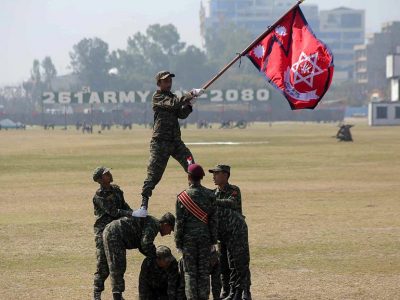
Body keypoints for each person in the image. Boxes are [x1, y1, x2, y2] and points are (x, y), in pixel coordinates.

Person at [132, 70, 204, 217]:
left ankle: (198, 196)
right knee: (154, 175)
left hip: (175, 142)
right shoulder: (158, 97)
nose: (169, 83)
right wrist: (190, 94)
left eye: (170, 81)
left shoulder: (173, 97)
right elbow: (173, 105)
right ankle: (143, 206)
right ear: (159, 83)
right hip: (160, 143)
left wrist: (189, 105)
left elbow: (180, 114)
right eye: (165, 81)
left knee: (192, 166)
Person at [103, 212, 175, 300]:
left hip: (114, 233)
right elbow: (145, 243)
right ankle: (117, 297)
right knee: (117, 265)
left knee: (119, 266)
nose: (169, 233)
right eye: (171, 229)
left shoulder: (153, 223)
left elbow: (142, 245)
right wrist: (155, 257)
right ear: (166, 224)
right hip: (114, 234)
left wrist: (152, 255)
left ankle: (118, 296)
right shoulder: (154, 225)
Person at [175, 163, 218, 300]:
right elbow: (213, 221)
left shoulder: (182, 197)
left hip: (188, 241)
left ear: (189, 177)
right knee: (204, 273)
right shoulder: (210, 195)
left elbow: (179, 223)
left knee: (190, 273)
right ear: (202, 178)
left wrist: (178, 243)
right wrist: (213, 240)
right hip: (205, 239)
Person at [91, 166, 134, 300]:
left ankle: (118, 294)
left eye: (108, 172)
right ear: (99, 180)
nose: (109, 174)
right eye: (106, 174)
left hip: (116, 232)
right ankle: (97, 293)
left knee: (118, 263)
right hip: (102, 232)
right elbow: (113, 211)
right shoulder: (99, 195)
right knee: (103, 265)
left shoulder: (116, 190)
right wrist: (131, 213)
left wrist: (134, 213)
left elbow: (123, 205)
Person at [209, 165, 242, 298]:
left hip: (234, 233)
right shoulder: (212, 193)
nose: (213, 176)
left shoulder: (234, 190)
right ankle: (226, 290)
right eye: (214, 173)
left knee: (235, 263)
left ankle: (237, 291)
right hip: (221, 234)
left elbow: (232, 203)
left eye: (216, 173)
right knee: (223, 264)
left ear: (225, 175)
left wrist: (213, 201)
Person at [217, 207, 251, 300]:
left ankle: (244, 291)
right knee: (228, 262)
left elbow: (233, 203)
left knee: (240, 262)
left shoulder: (234, 191)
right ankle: (231, 291)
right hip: (224, 232)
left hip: (235, 228)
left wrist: (215, 201)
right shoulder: (214, 194)